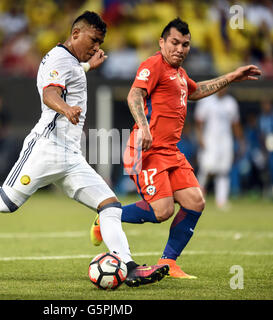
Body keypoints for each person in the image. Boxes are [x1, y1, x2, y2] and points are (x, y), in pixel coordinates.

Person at [0, 11, 169, 287]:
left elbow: (66, 77)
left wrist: (86, 68)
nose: (97, 47)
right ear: (75, 34)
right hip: (46, 149)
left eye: (100, 42)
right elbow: (49, 93)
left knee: (110, 205)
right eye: (93, 40)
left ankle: (128, 266)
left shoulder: (69, 61)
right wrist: (65, 107)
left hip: (71, 156)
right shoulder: (59, 59)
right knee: (4, 203)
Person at [90, 17, 261, 279]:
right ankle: (108, 217)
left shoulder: (180, 74)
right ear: (162, 42)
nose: (180, 48)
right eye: (174, 42)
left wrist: (231, 77)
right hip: (146, 150)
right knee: (163, 212)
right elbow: (134, 95)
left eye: (185, 44)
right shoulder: (154, 64)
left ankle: (169, 262)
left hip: (170, 151)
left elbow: (195, 91)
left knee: (196, 202)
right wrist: (144, 127)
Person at [194, 87, 244, 210]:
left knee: (223, 170)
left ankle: (221, 200)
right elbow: (199, 121)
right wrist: (200, 138)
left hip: (225, 140)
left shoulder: (231, 103)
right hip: (210, 139)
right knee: (206, 168)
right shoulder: (206, 101)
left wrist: (241, 140)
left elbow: (235, 123)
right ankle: (196, 197)